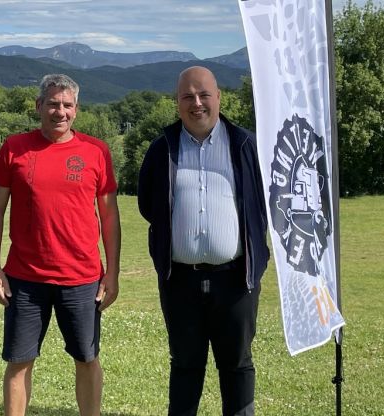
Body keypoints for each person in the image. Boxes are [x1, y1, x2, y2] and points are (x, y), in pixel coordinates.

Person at [0, 74, 121, 416]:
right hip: (25, 279)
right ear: (38, 107)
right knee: (19, 362)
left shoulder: (96, 151)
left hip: (82, 277)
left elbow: (110, 216)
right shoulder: (15, 147)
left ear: (76, 109)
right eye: (53, 104)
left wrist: (113, 273)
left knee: (86, 358)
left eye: (67, 105)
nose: (60, 111)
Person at [137, 66, 270, 416]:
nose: (196, 103)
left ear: (218, 98)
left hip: (236, 280)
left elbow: (266, 205)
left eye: (203, 94)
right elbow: (148, 207)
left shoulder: (246, 145)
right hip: (180, 281)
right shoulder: (162, 148)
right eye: (187, 97)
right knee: (185, 366)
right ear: (177, 103)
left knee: (237, 365)